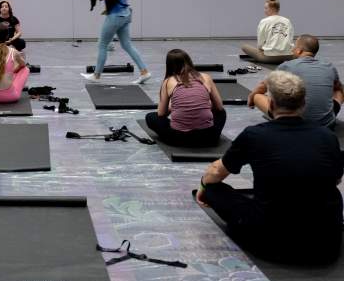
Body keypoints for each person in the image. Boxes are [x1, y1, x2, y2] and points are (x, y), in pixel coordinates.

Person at [197, 70, 343, 265]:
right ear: (304, 104)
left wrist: (203, 187)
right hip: (325, 246)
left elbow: (216, 171)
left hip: (272, 244)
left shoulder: (254, 135)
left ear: (271, 105)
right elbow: (336, 179)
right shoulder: (327, 136)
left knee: (214, 189)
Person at [81, 0, 150, 84]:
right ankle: (144, 72)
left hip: (116, 16)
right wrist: (108, 9)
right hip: (125, 14)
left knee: (102, 44)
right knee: (127, 44)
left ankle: (96, 75)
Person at [248, 34, 343, 127]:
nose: (292, 49)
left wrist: (251, 98)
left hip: (293, 121)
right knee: (339, 90)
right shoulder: (329, 66)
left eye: (294, 47)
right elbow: (340, 88)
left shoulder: (287, 66)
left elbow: (263, 87)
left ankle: (280, 118)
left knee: (258, 96)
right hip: (326, 124)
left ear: (299, 51)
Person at [145, 49, 226, 146]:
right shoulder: (205, 77)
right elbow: (219, 107)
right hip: (209, 138)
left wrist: (174, 107)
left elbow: (161, 113)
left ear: (169, 66)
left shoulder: (168, 81)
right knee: (222, 113)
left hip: (179, 138)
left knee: (151, 117)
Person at [241, 0, 294, 64]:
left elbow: (260, 45)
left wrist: (265, 49)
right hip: (288, 57)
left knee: (244, 46)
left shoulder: (264, 21)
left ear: (272, 9)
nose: (264, 10)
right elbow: (290, 39)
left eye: (266, 8)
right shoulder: (287, 21)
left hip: (270, 58)